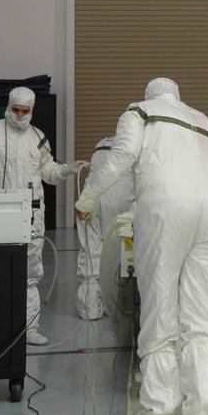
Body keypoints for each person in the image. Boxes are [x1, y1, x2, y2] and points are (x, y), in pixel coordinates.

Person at [76, 78, 208, 415]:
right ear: (176, 95)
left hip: (168, 207)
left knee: (160, 302)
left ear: (150, 95)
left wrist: (88, 198)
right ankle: (202, 406)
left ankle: (160, 407)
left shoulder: (139, 111)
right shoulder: (200, 117)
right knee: (201, 310)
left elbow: (121, 158)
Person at [0, 86, 83, 345]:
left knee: (30, 271)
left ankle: (29, 327)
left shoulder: (38, 137)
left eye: (25, 111)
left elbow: (47, 171)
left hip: (31, 213)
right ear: (8, 107)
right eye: (15, 110)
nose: (19, 115)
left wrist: (67, 170)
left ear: (32, 110)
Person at [75, 135, 136, 320]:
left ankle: (90, 309)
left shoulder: (101, 142)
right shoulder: (134, 143)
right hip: (121, 195)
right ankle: (117, 306)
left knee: (90, 249)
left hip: (89, 195)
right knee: (120, 250)